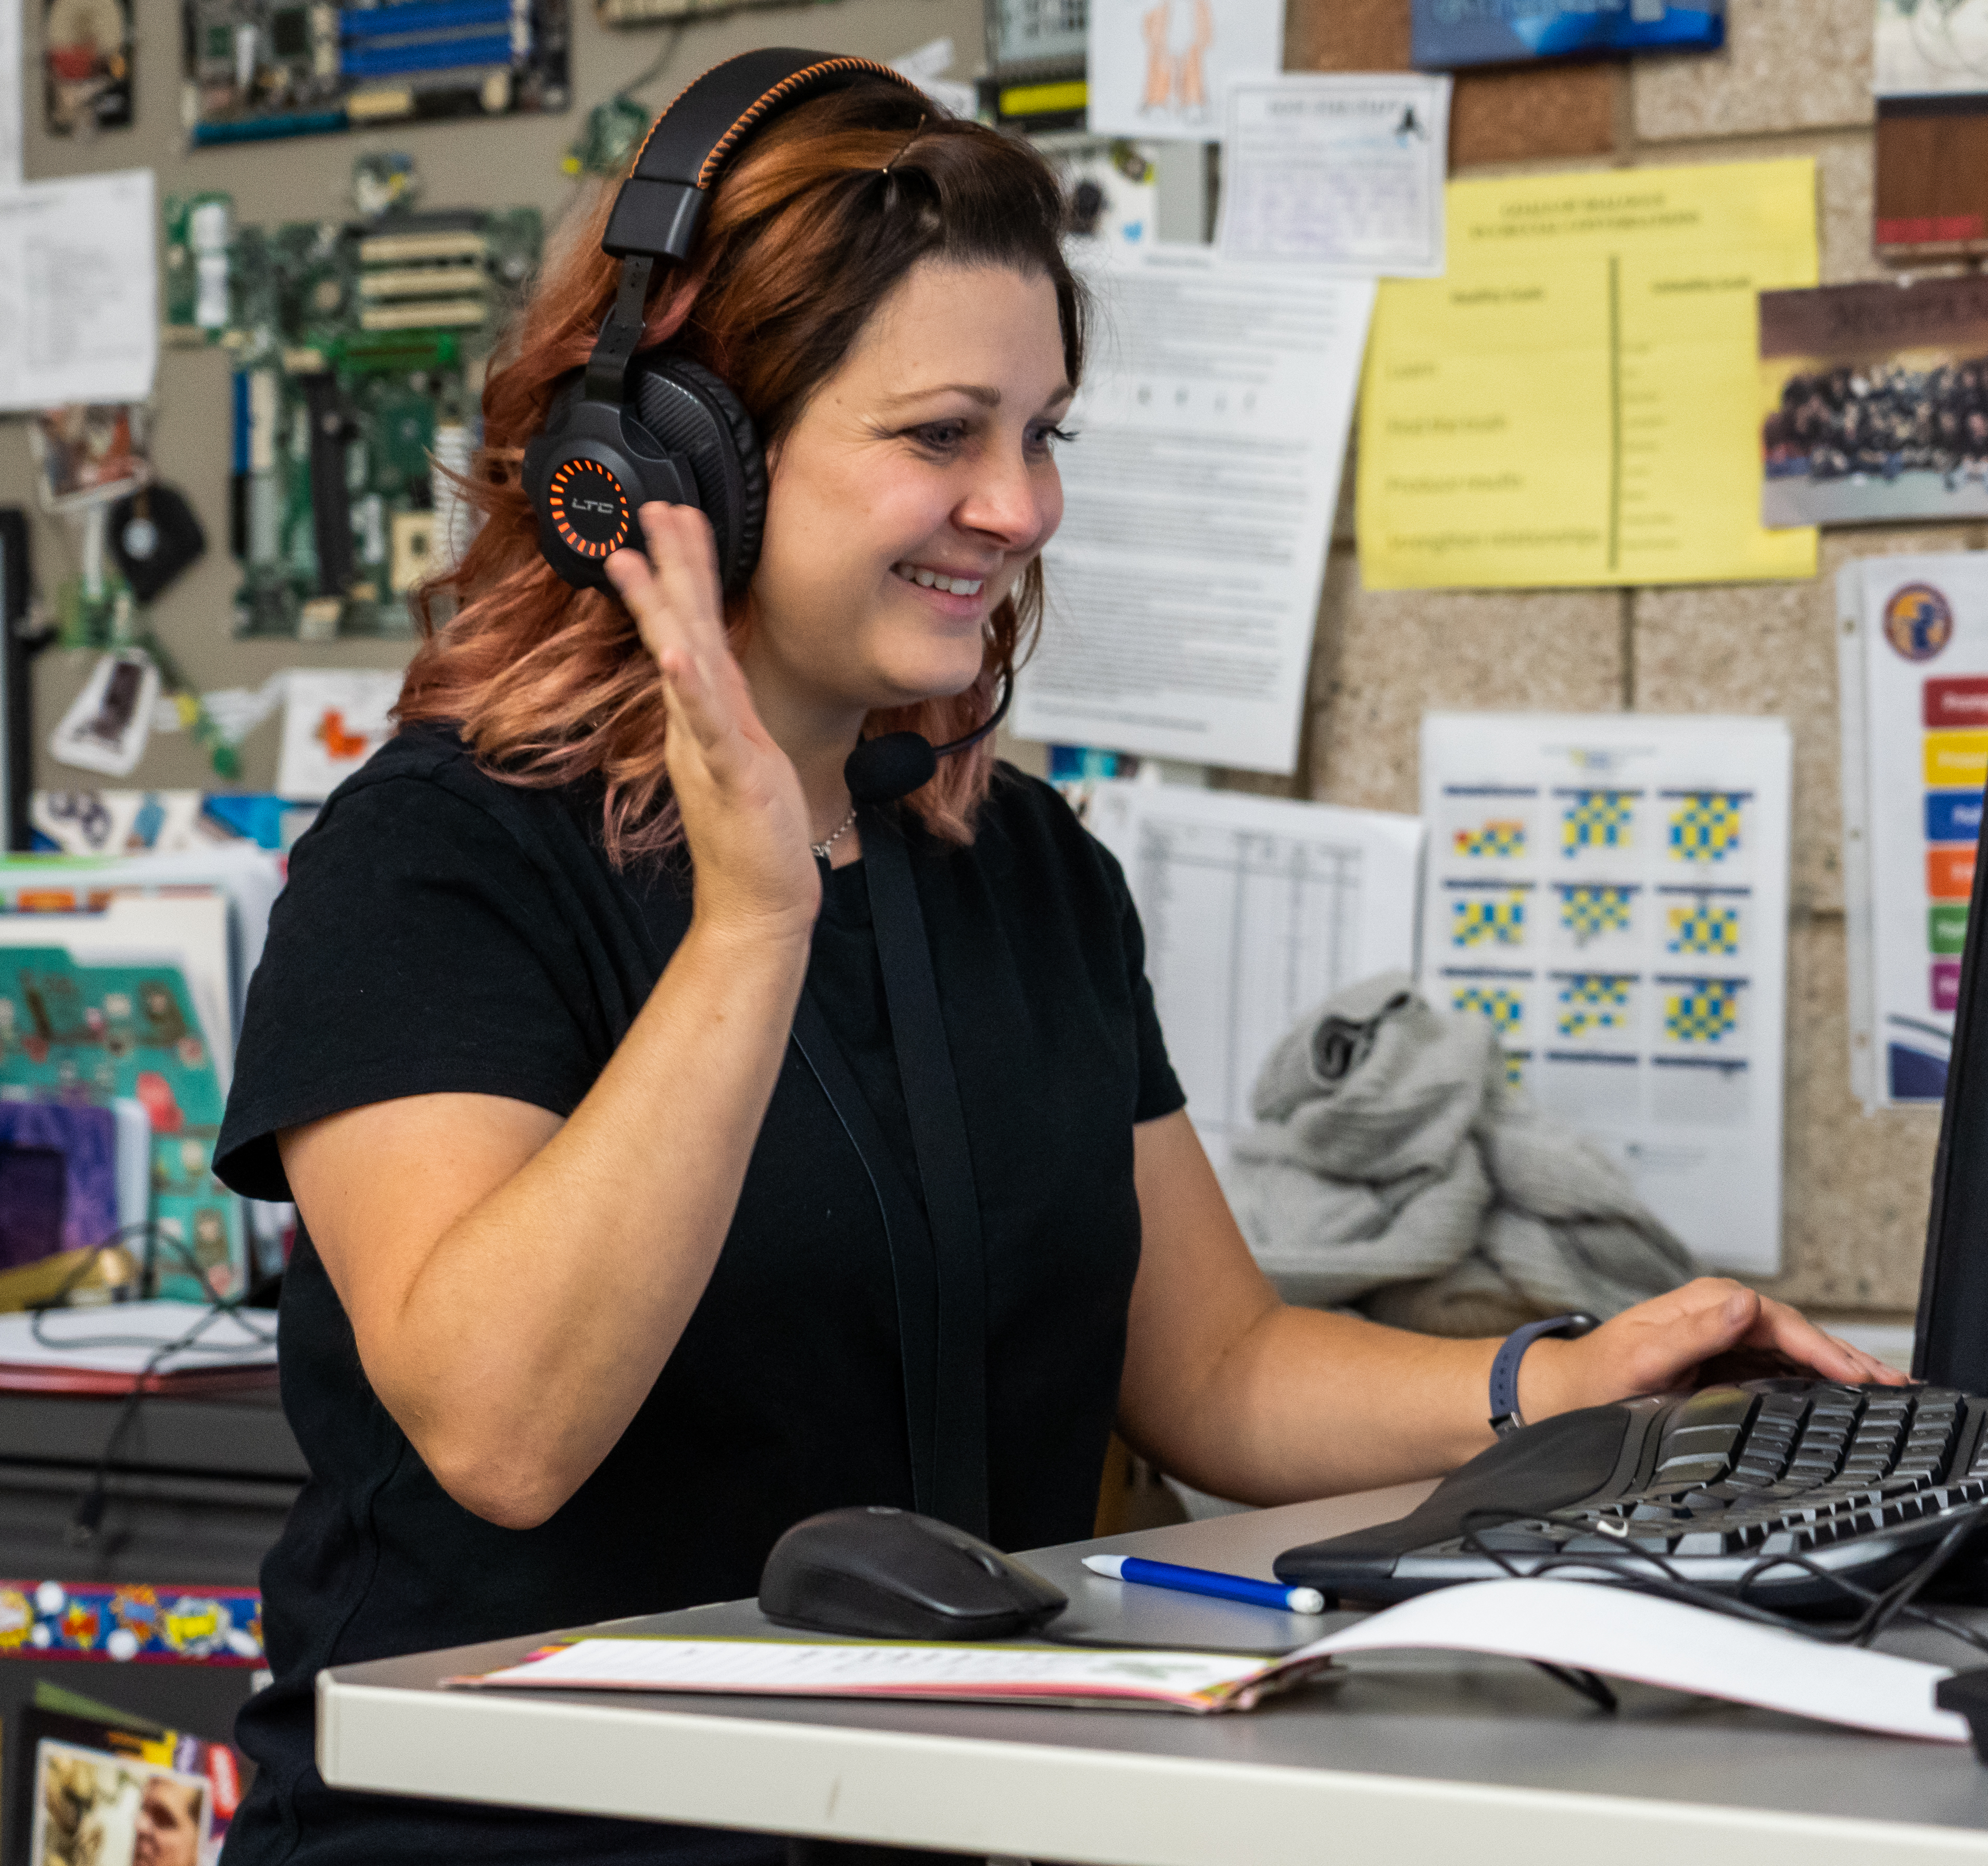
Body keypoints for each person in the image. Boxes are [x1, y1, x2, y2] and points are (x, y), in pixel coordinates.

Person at [211, 56, 1902, 1865]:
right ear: (680, 451)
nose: (1020, 508)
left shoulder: (1020, 870)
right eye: (943, 434)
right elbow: (504, 1425)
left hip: (923, 1817)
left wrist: (1557, 1391)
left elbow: (1217, 1372)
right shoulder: (440, 854)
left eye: (1043, 434)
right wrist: (758, 916)